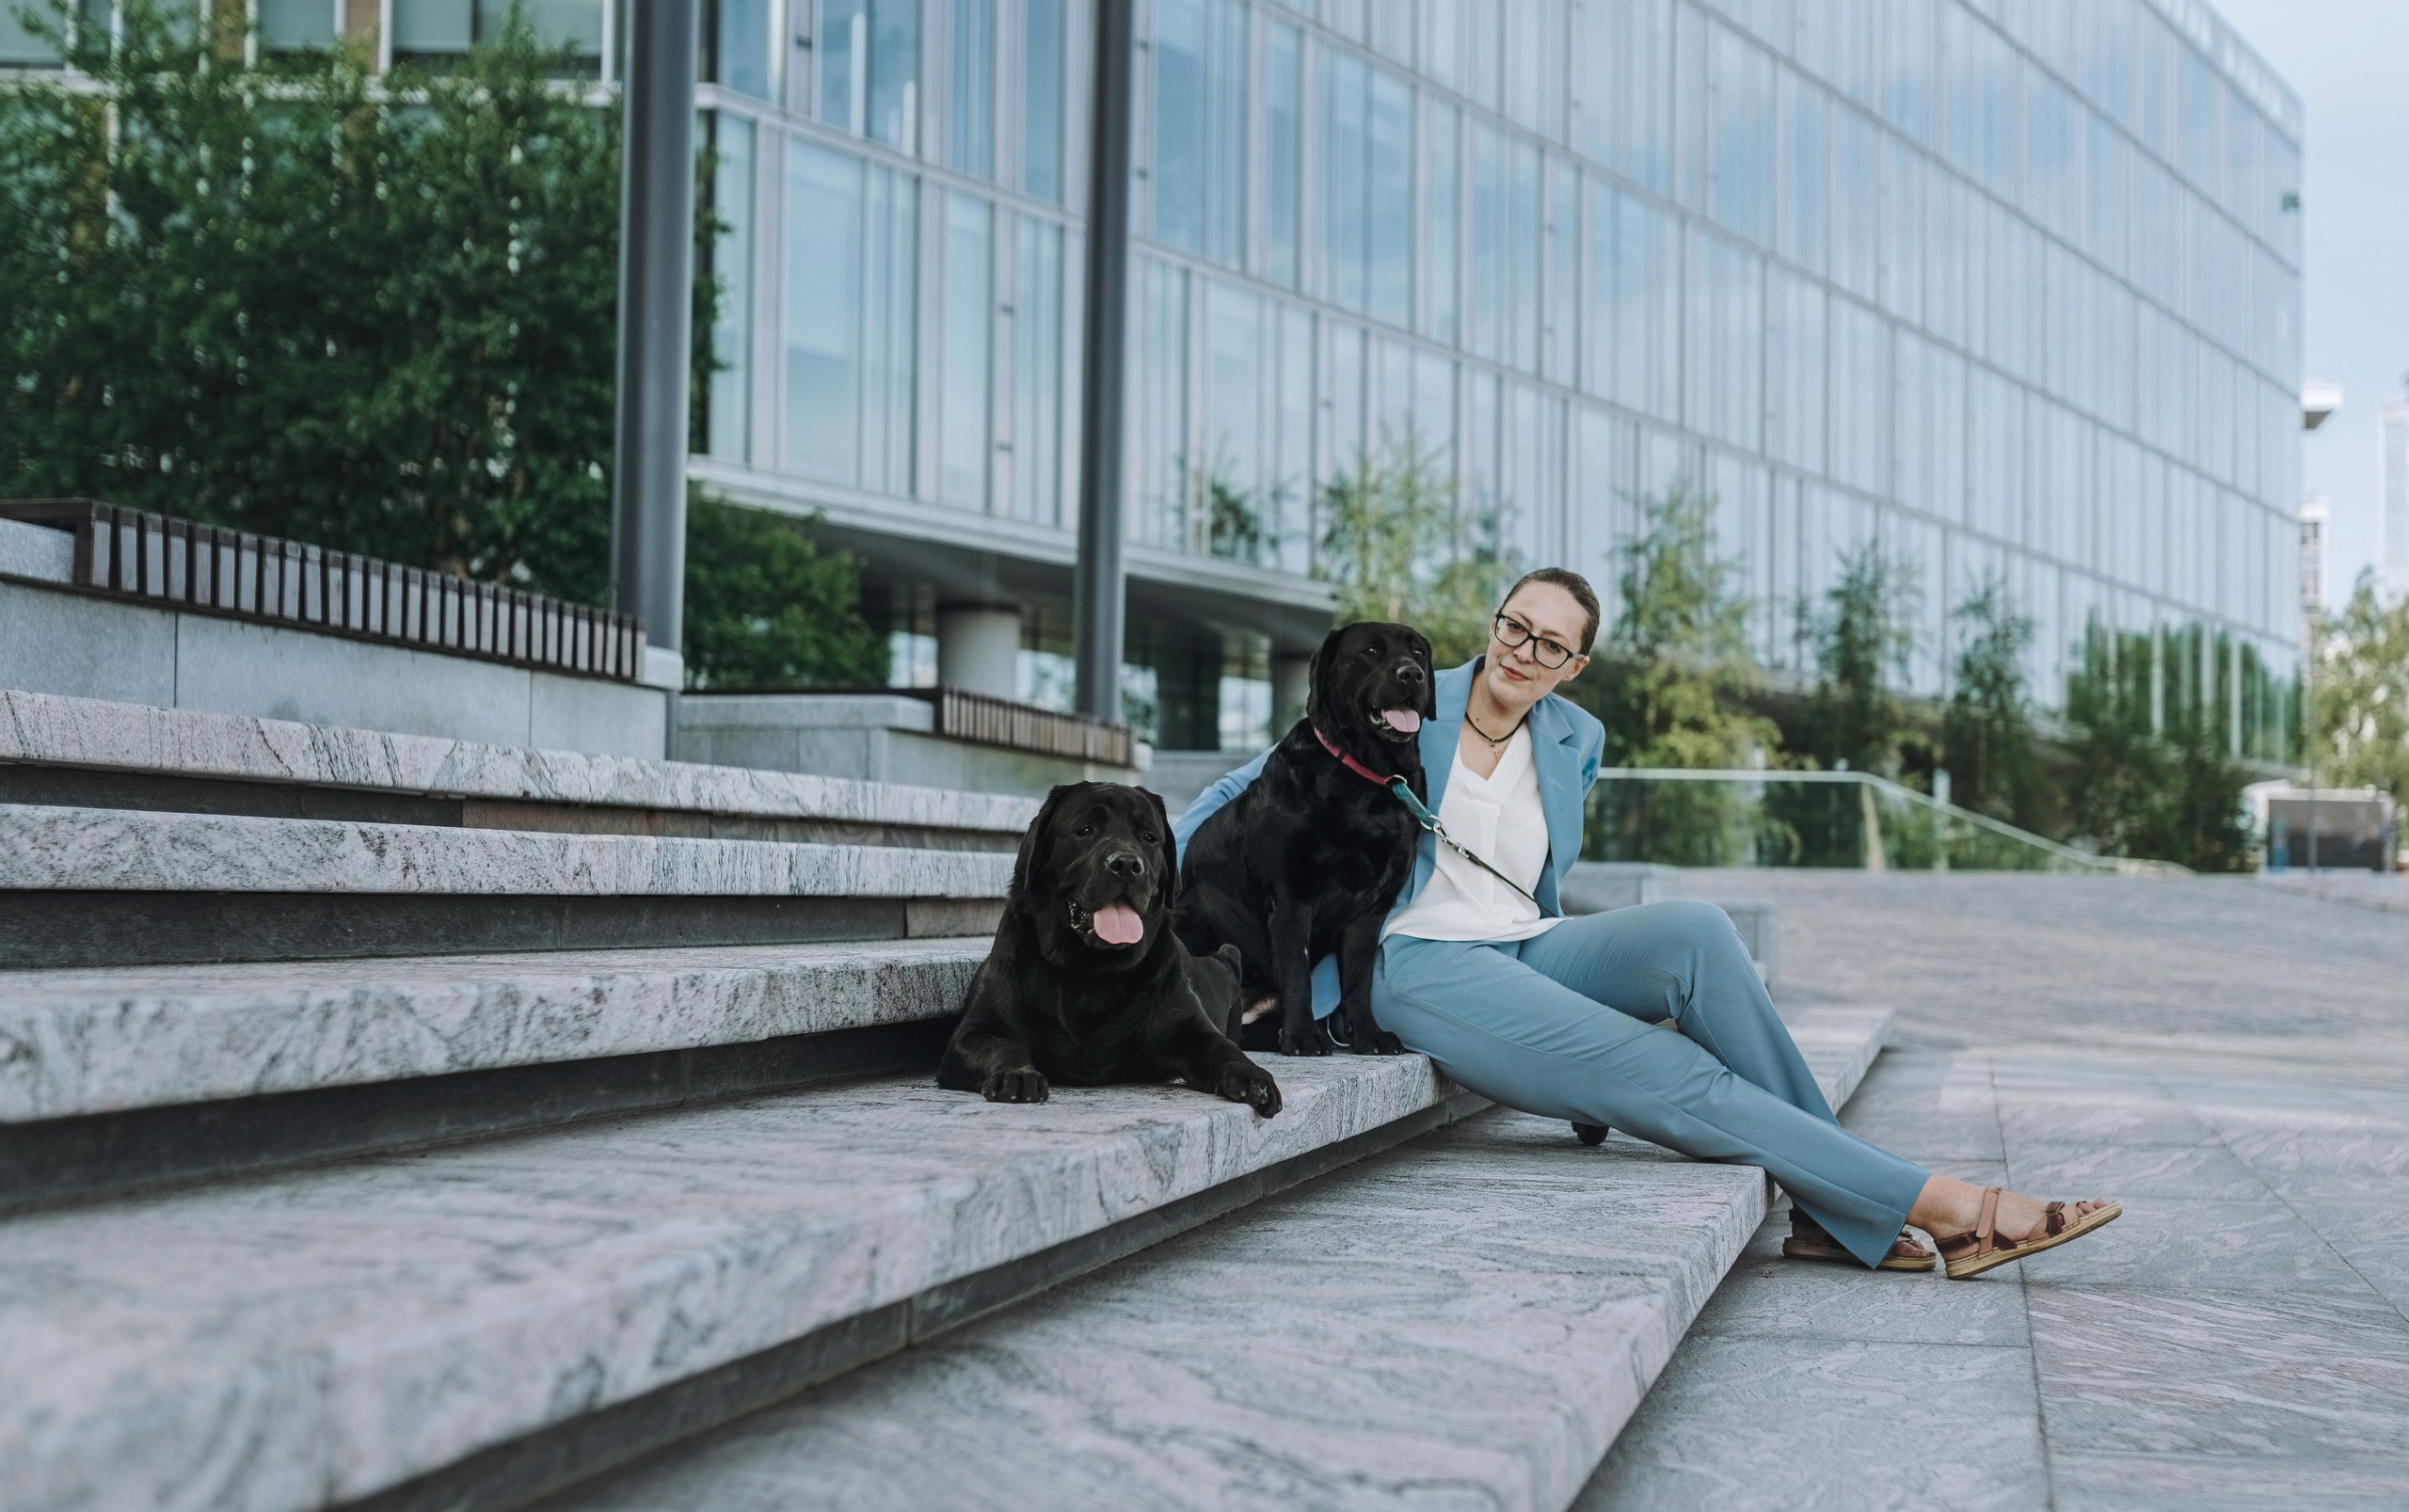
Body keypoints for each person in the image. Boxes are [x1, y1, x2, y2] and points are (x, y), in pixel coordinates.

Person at [1176, 567, 2117, 1276]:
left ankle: (1832, 1209)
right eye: (1513, 625)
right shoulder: (1404, 697)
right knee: (1672, 1070)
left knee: (1698, 932)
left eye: (1549, 643)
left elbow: (1537, 870)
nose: (1521, 651)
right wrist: (1156, 850)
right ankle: (1935, 1202)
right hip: (1420, 961)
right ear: (1492, 623)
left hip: (1527, 938)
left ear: (1573, 663)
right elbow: (1259, 785)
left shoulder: (1573, 738)